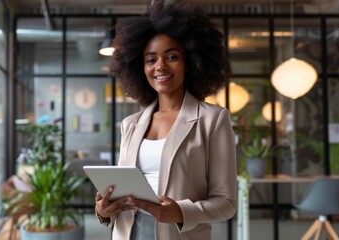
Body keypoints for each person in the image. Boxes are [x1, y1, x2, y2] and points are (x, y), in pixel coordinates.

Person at [95, 0, 237, 239]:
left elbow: (227, 203)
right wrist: (103, 210)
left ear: (190, 62)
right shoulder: (130, 124)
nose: (160, 66)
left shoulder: (213, 120)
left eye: (171, 57)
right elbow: (120, 189)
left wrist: (180, 211)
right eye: (151, 60)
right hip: (128, 232)